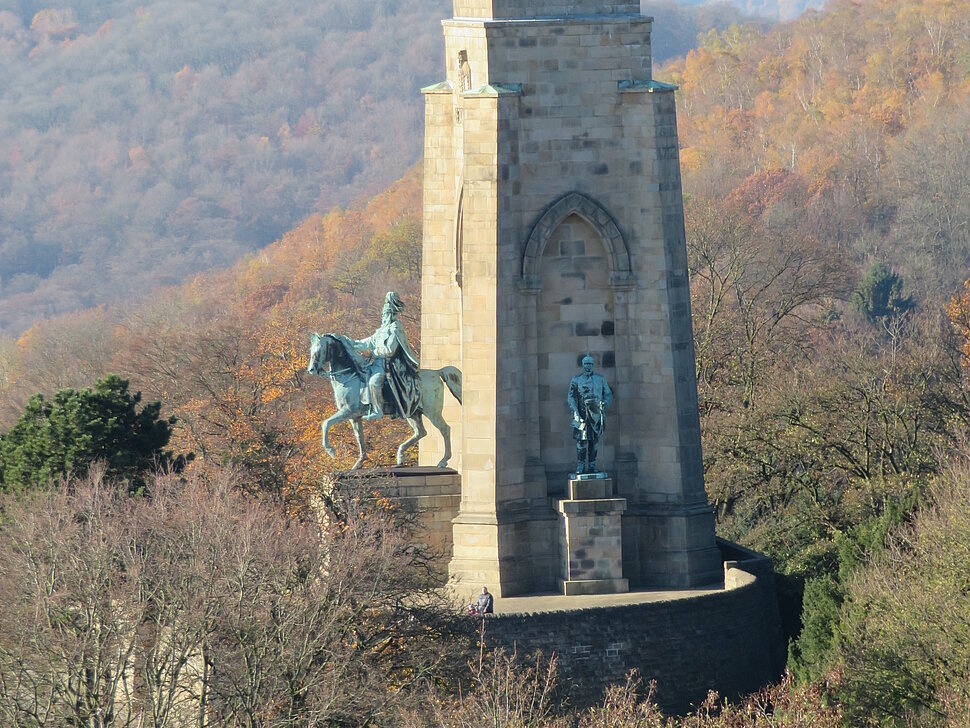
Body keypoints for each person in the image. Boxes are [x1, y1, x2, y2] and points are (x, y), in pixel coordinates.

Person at [351, 291, 420, 421]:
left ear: (391, 314)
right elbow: (367, 342)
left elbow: (390, 350)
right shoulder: (382, 330)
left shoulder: (395, 328)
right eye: (383, 313)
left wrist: (375, 351)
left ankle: (378, 411)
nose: (383, 316)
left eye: (386, 313)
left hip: (388, 365)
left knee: (373, 382)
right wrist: (351, 343)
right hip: (375, 364)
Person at [568, 354, 613, 474]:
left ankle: (592, 465)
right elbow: (571, 397)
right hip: (582, 414)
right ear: (582, 365)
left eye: (590, 364)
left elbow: (608, 394)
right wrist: (575, 412)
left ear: (593, 365)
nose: (588, 367)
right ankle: (581, 465)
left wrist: (605, 404)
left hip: (596, 414)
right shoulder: (576, 379)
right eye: (586, 364)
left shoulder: (600, 378)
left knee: (594, 442)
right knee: (581, 441)